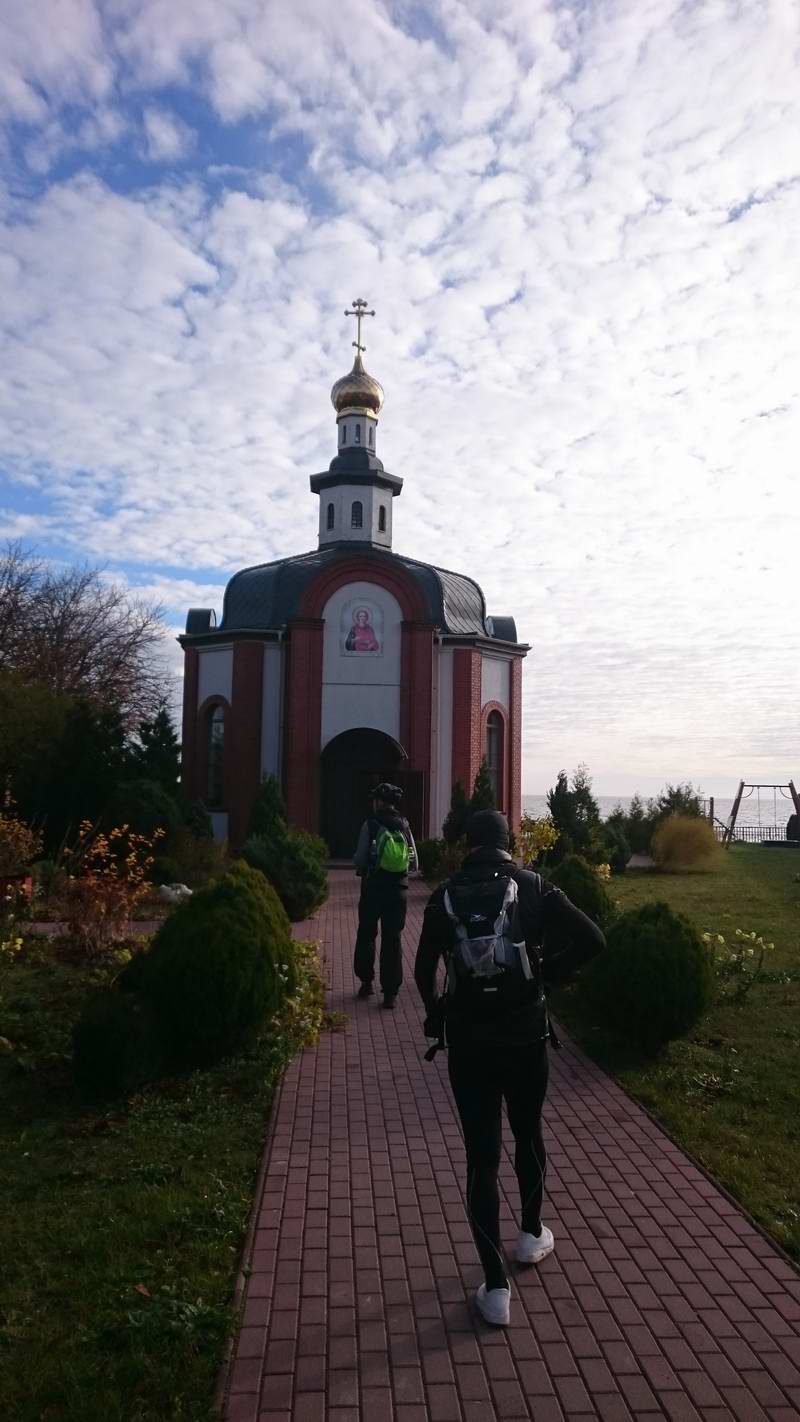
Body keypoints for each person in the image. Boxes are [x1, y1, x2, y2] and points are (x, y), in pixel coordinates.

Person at [414, 809, 605, 1328]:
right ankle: (529, 1234)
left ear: (467, 846)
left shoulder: (444, 896)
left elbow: (421, 971)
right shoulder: (536, 886)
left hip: (471, 1045)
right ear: (508, 843)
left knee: (481, 1157)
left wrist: (437, 1017)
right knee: (528, 1133)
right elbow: (593, 939)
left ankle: (495, 1288)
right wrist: (546, 978)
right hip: (525, 1038)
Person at [353, 782, 417, 1008]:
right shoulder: (404, 825)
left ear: (379, 802)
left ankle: (366, 982)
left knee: (367, 934)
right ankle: (390, 993)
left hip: (373, 888)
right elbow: (414, 862)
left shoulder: (370, 824)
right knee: (393, 939)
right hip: (398, 891)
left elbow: (360, 859)